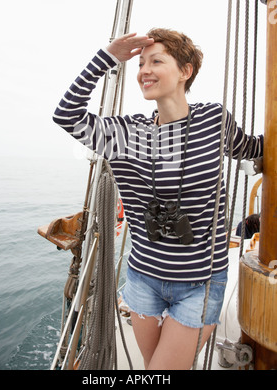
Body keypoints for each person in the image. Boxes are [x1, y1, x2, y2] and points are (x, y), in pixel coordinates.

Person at [53, 29, 263, 370]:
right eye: (139, 64)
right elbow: (67, 114)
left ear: (185, 71)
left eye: (156, 61)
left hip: (200, 284)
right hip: (143, 281)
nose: (143, 71)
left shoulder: (213, 120)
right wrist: (107, 56)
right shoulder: (125, 133)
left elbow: (254, 148)